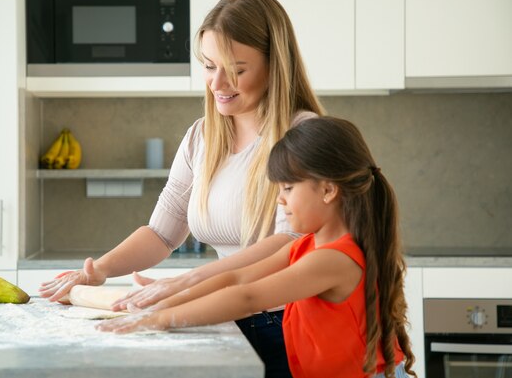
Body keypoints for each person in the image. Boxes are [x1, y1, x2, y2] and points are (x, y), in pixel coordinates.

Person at [40, 0, 323, 378]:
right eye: (209, 66)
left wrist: (187, 284)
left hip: (287, 326)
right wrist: (100, 270)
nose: (218, 83)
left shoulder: (304, 137)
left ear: (276, 65)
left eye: (237, 69)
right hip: (226, 319)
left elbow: (290, 245)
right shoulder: (202, 138)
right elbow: (161, 232)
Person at [96, 116, 417, 378]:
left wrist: (158, 320)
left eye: (288, 187)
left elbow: (247, 297)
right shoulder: (306, 246)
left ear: (329, 190)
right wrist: (161, 303)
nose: (280, 199)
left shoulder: (334, 260)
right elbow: (237, 278)